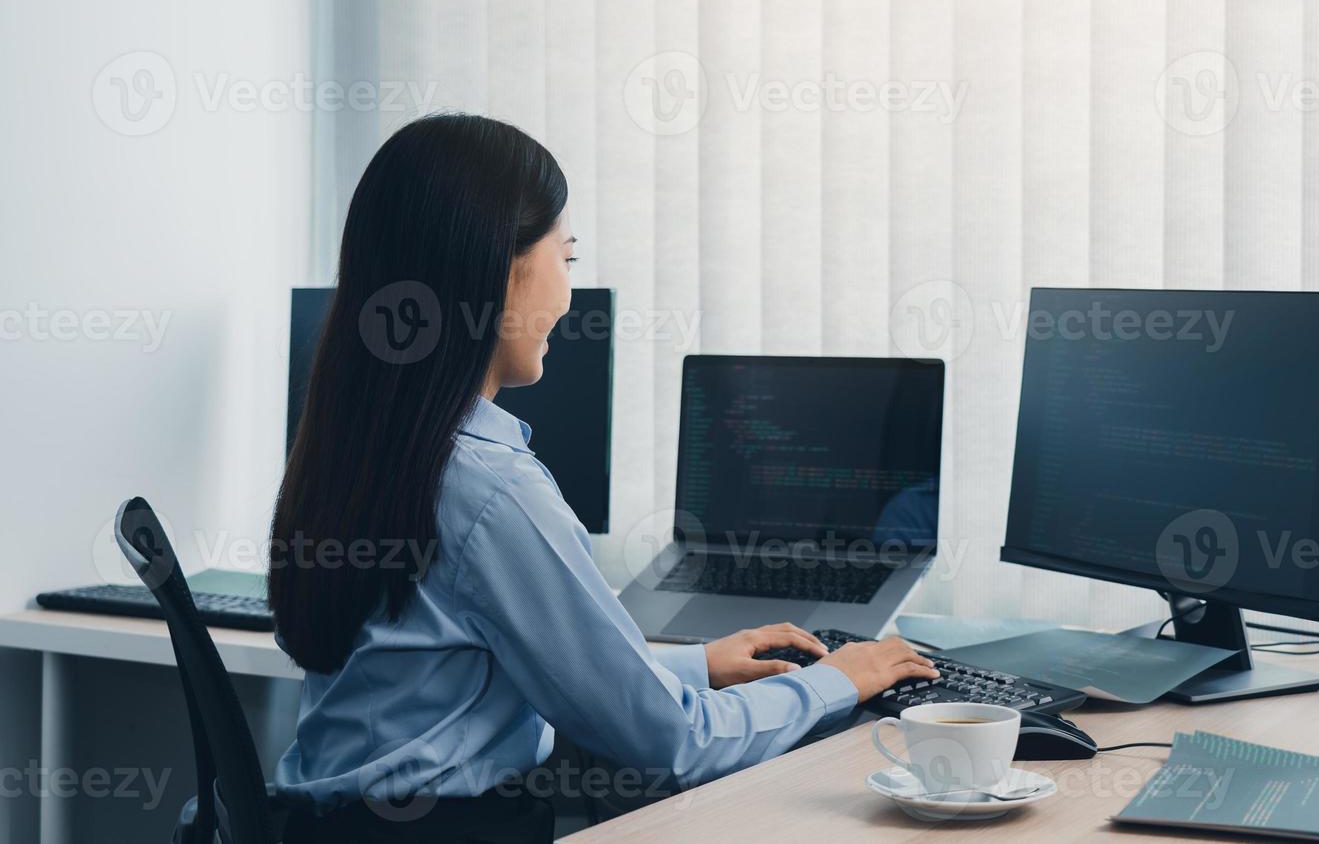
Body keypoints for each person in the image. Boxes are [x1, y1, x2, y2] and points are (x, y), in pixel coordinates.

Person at [268, 114, 939, 841]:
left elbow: (481, 682)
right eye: (568, 256)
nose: (568, 293)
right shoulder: (489, 491)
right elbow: (675, 746)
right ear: (498, 269)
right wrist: (842, 678)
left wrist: (692, 667)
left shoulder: (367, 447)